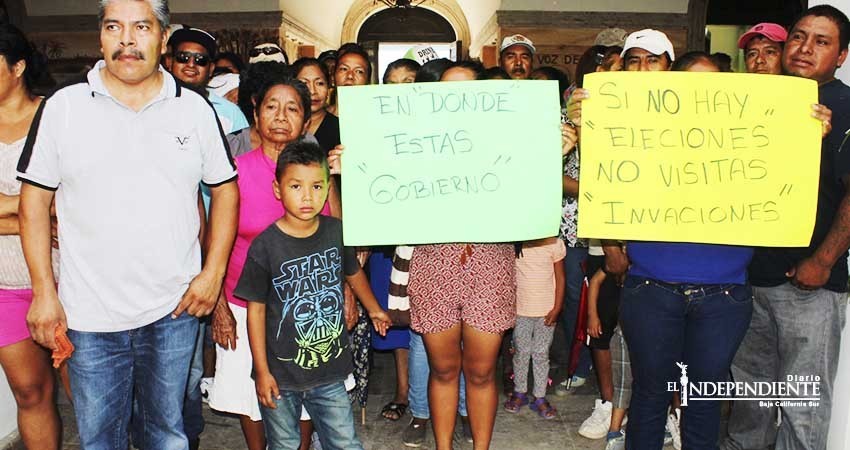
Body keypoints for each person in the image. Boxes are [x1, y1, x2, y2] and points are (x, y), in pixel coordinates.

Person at [17, 1, 240, 449]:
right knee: (100, 438)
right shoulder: (65, 106)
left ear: (162, 36)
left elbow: (226, 191)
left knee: (167, 434)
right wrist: (44, 292)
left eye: (141, 27)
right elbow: (34, 203)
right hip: (88, 314)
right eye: (113, 27)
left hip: (173, 309)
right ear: (100, 36)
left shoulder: (193, 110)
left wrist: (212, 274)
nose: (127, 39)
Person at [725, 6, 850, 450]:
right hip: (749, 276)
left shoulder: (846, 106)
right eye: (798, 37)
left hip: (810, 285)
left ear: (841, 55)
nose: (805, 48)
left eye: (821, 41)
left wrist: (823, 260)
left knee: (802, 404)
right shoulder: (763, 100)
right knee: (749, 395)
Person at [237, 140, 391, 450]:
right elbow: (255, 311)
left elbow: (353, 273)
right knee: (285, 444)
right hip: (280, 376)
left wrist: (374, 309)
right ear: (278, 189)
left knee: (345, 442)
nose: (308, 196)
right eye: (296, 186)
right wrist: (262, 371)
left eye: (317, 186)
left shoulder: (336, 232)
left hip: (330, 372)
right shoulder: (265, 246)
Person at [208, 73, 329, 450]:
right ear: (255, 115)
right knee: (250, 394)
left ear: (305, 122)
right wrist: (218, 307)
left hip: (308, 306)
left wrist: (347, 295)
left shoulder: (319, 171)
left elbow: (335, 240)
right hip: (244, 306)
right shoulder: (235, 171)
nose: (281, 116)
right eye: (271, 107)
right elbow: (216, 242)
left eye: (292, 108)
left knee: (307, 397)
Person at [166, 25, 250, 450]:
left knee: (191, 359)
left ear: (212, 67)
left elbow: (236, 187)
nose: (191, 65)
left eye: (201, 60)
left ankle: (187, 435)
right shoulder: (148, 107)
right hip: (163, 243)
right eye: (183, 56)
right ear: (168, 59)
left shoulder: (229, 116)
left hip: (213, 238)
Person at [0, 23, 61, 450]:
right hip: (4, 283)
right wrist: (33, 210)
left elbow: (71, 202)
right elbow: (47, 208)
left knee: (89, 394)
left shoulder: (56, 118)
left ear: (18, 66)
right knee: (29, 392)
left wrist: (18, 207)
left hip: (70, 279)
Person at [556, 44, 621, 395]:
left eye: (618, 68)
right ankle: (578, 363)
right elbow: (554, 176)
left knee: (611, 303)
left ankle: (617, 382)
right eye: (605, 69)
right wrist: (594, 189)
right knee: (574, 300)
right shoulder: (571, 120)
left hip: (624, 226)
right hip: (575, 227)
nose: (613, 76)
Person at [503, 237, 565, 419]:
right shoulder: (515, 243)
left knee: (540, 353)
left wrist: (557, 307)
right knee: (521, 352)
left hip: (546, 312)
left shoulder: (554, 244)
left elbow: (560, 278)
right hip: (520, 310)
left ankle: (540, 396)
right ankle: (519, 392)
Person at [578, 241, 628, 448]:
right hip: (602, 248)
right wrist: (611, 249)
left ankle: (660, 411)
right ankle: (609, 404)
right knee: (601, 331)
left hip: (647, 251)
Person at [327, 43, 371, 115]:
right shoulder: (316, 119)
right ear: (333, 77)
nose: (350, 76)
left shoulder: (375, 119)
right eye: (344, 69)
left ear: (368, 81)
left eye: (359, 71)